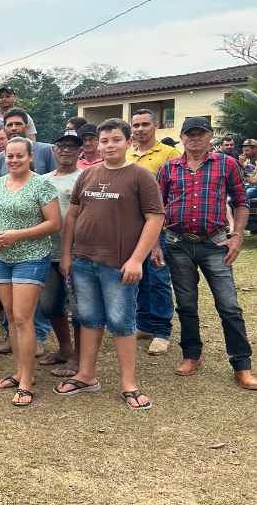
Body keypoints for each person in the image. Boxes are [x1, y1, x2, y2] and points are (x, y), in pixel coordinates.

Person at [55, 118, 165, 409]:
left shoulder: (140, 176)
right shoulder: (87, 175)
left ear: (129, 142)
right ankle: (86, 375)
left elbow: (155, 218)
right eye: (104, 141)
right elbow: (73, 216)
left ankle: (128, 383)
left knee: (121, 322)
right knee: (89, 319)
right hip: (83, 261)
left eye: (116, 139)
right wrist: (67, 255)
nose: (109, 145)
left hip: (119, 264)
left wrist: (137, 260)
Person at [156, 117, 257, 390]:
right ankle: (191, 355)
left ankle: (242, 365)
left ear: (210, 137)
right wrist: (156, 244)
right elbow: (156, 209)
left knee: (229, 305)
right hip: (178, 244)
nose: (195, 138)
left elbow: (241, 201)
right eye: (190, 134)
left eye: (201, 134)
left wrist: (236, 237)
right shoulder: (168, 169)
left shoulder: (226, 164)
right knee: (186, 304)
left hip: (215, 243)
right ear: (182, 138)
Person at [0, 138, 61, 406]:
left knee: (24, 318)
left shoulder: (41, 184)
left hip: (32, 257)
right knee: (13, 318)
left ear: (30, 157)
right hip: (2, 257)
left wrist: (18, 235)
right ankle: (18, 372)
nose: (14, 160)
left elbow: (54, 223)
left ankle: (27, 381)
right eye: (9, 156)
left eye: (19, 156)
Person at [127, 108, 181, 356]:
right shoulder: (127, 153)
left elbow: (175, 193)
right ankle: (145, 324)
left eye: (144, 124)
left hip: (156, 226)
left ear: (155, 125)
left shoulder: (169, 154)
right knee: (140, 278)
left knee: (159, 279)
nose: (140, 129)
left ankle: (161, 331)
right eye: (135, 125)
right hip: (130, 226)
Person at [39, 130, 84, 377]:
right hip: (47, 252)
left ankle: (78, 355)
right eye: (61, 145)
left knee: (78, 308)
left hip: (77, 254)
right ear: (53, 150)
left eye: (72, 146)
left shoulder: (84, 178)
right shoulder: (42, 180)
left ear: (80, 151)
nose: (66, 150)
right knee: (49, 306)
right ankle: (64, 349)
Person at [0, 108, 56, 178]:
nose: (13, 128)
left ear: (27, 128)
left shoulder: (46, 151)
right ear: (4, 130)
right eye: (9, 125)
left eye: (18, 124)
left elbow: (55, 180)